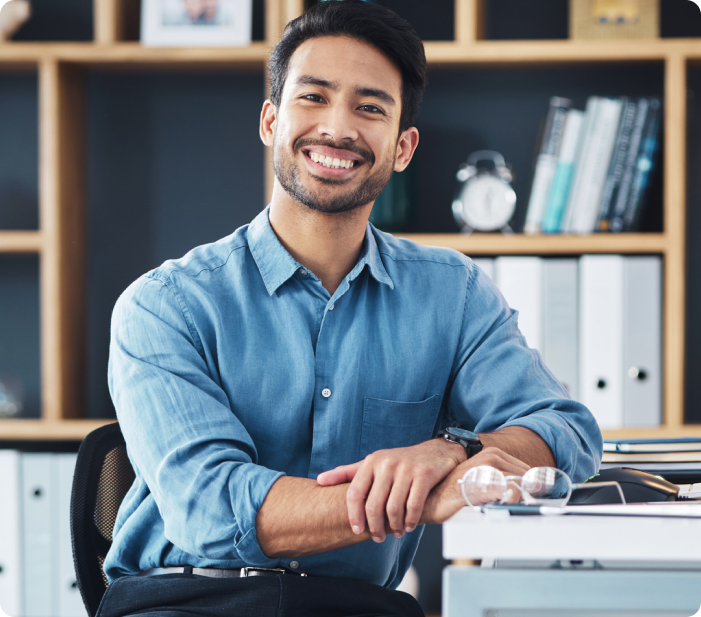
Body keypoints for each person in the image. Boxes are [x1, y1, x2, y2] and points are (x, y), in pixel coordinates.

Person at [100, 2, 603, 616]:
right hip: (187, 599)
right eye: (312, 97)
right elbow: (210, 508)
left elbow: (566, 431)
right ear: (270, 120)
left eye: (370, 108)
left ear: (403, 147)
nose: (338, 128)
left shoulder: (454, 294)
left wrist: (455, 453)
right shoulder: (163, 306)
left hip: (354, 605)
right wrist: (417, 496)